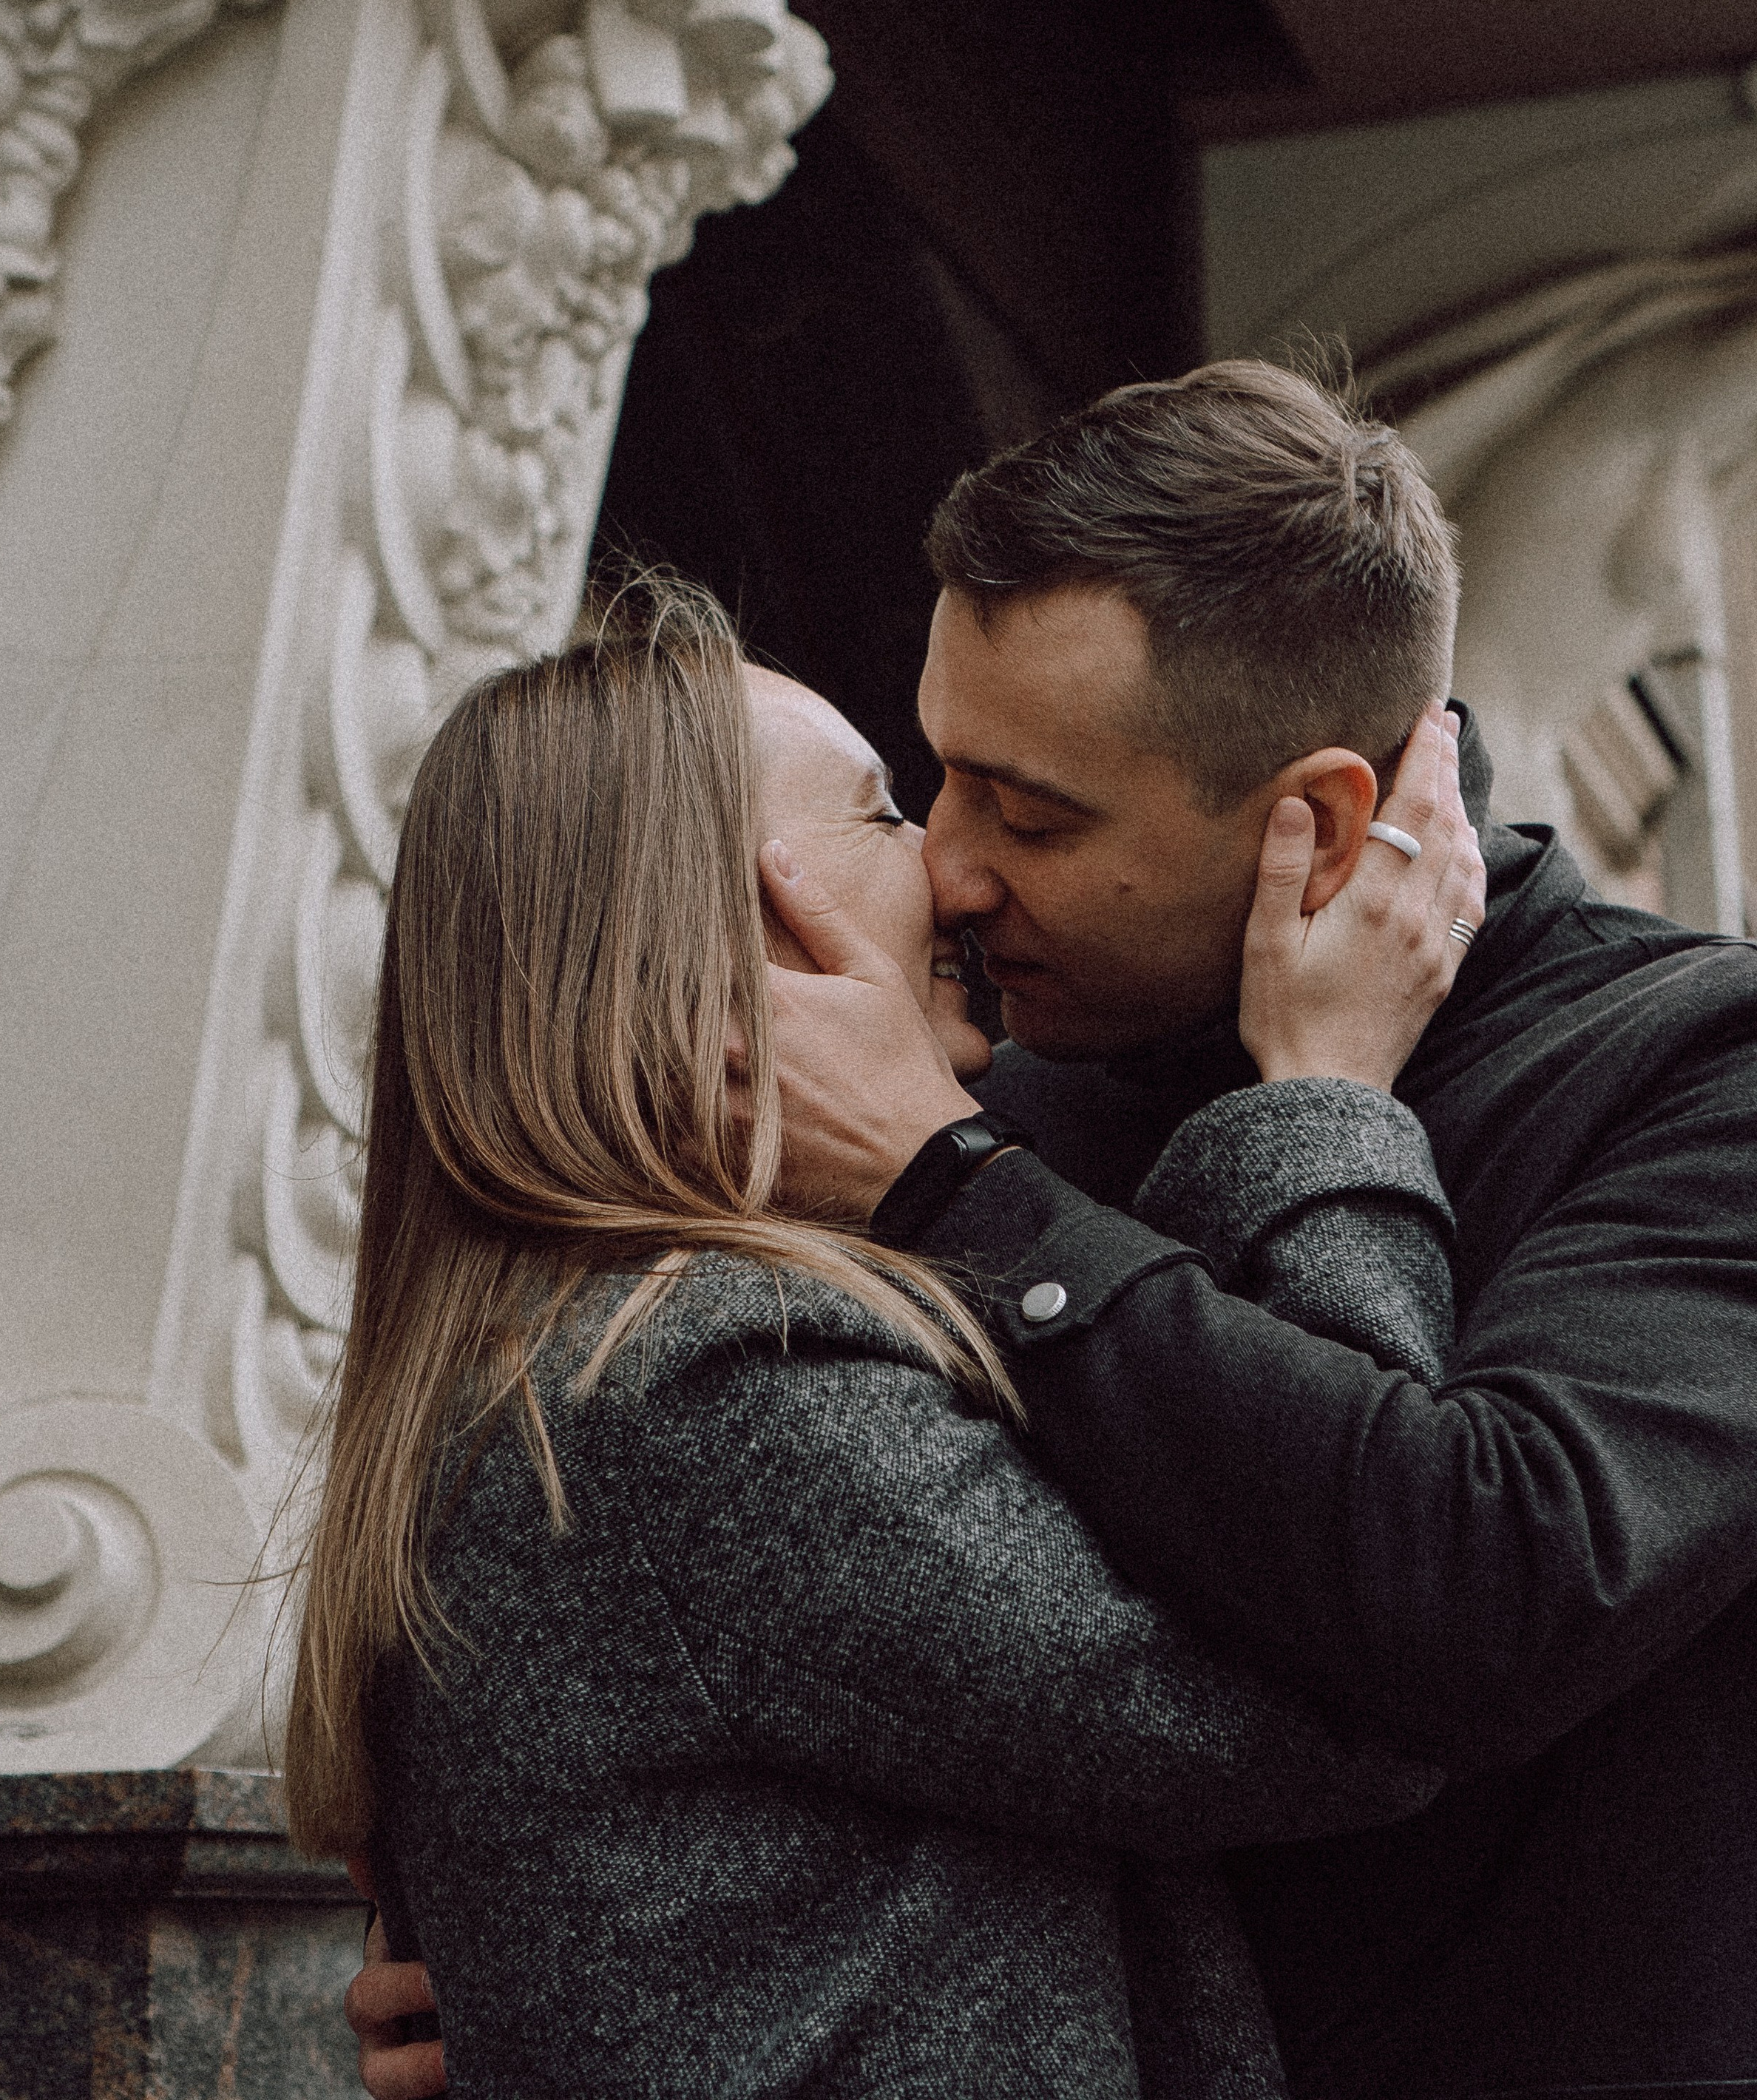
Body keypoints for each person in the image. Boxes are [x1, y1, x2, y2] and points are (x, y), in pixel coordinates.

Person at [307, 567, 1484, 2099]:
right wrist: (1326, 1092)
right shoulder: (719, 1392)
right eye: (881, 812)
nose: (948, 865)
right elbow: (1361, 1677)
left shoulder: (582, 1361)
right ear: (713, 933)